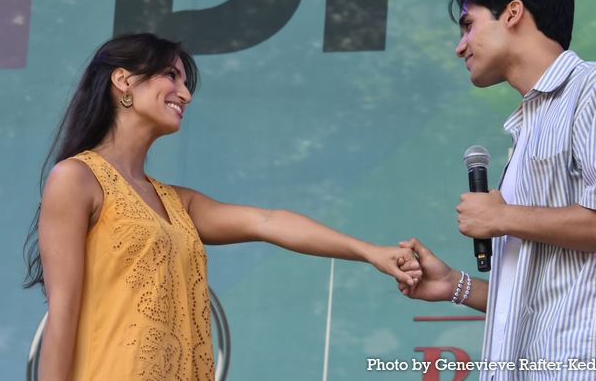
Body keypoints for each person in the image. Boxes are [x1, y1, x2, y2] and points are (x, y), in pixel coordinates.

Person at [22, 32, 421, 380]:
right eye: (171, 75)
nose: (186, 93)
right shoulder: (75, 178)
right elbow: (63, 313)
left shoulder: (177, 202)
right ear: (123, 80)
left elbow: (268, 221)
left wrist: (370, 252)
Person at [398, 0, 596, 380]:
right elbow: (546, 294)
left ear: (513, 13)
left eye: (468, 25)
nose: (460, 46)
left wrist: (502, 216)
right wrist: (454, 285)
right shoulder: (527, 129)